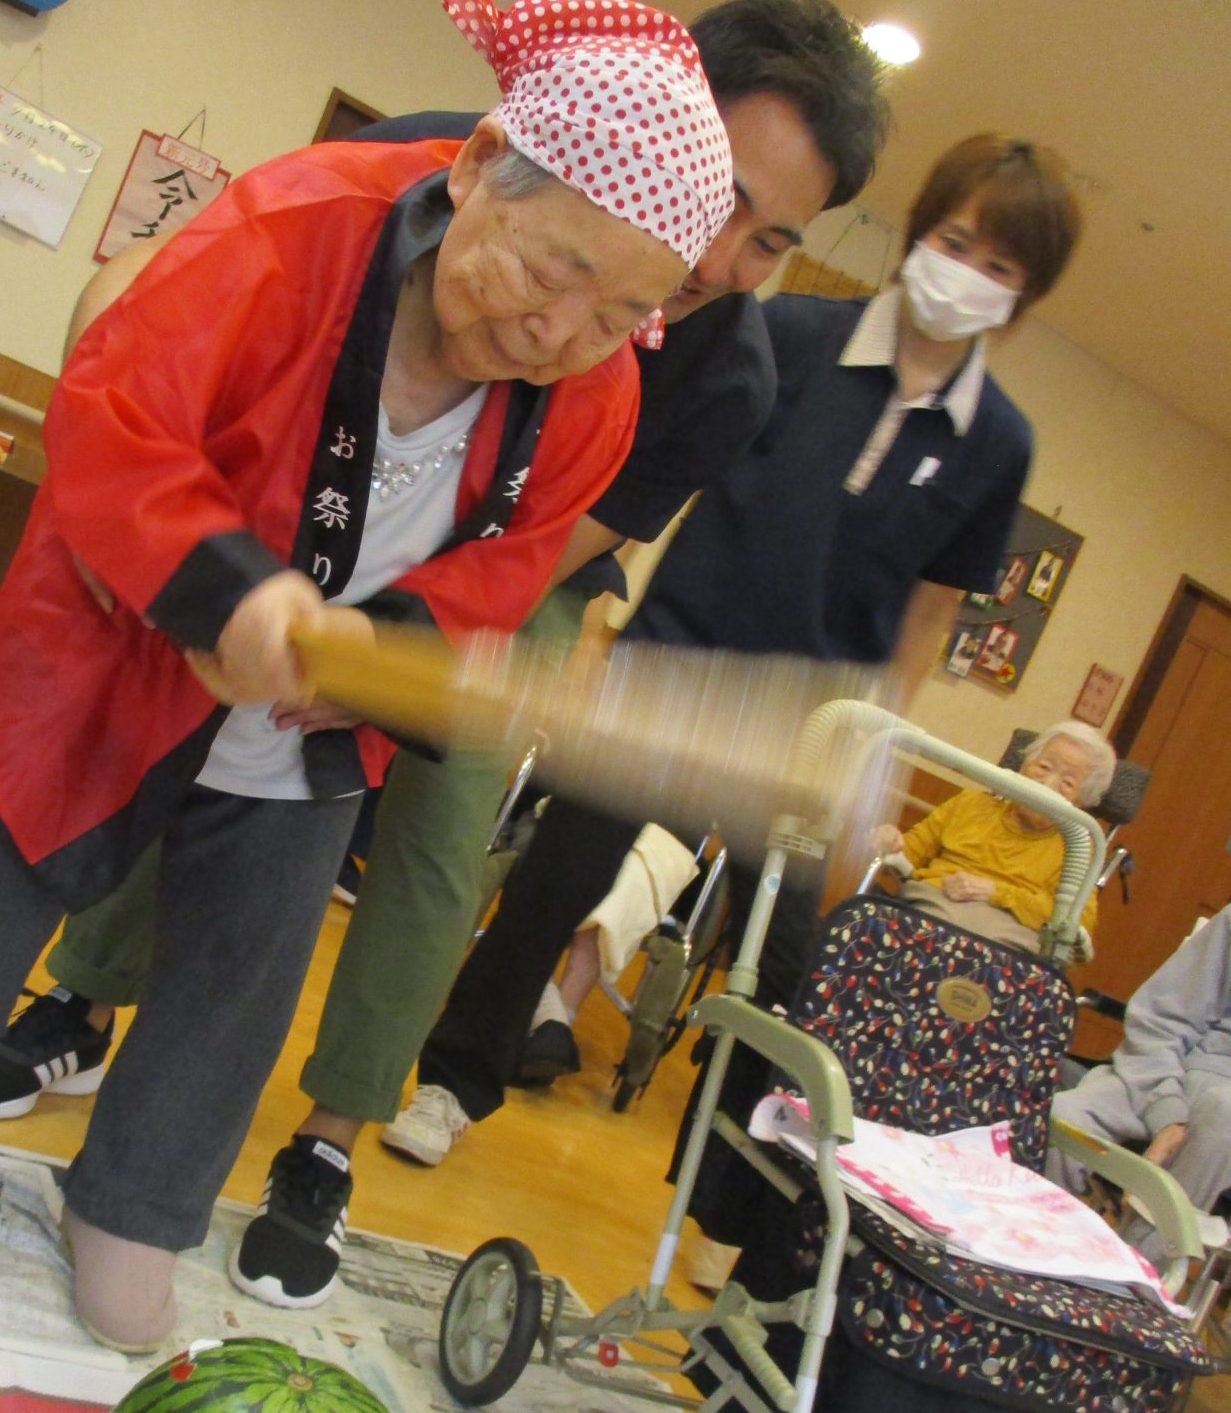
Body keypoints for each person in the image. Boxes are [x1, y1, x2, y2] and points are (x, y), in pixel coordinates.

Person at [0, 0, 736, 1352]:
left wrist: (380, 651)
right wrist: (226, 593)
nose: (559, 335)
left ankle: (138, 1204)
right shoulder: (292, 226)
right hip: (123, 637)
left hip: (314, 724)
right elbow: (118, 409)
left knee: (240, 973)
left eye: (616, 315)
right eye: (549, 273)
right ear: (479, 164)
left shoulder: (598, 395)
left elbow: (510, 567)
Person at [0, 0, 892, 1310]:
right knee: (194, 713)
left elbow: (544, 549)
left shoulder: (729, 376)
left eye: (772, 241)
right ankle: (85, 1001)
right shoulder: (454, 151)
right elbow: (178, 307)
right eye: (725, 194)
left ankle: (330, 1141)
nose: (719, 251)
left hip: (511, 556)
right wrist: (241, 594)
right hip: (300, 490)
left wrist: (385, 646)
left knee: (443, 821)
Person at [388, 134, 1086, 1228]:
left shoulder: (998, 440)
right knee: (554, 882)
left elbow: (932, 612)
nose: (966, 275)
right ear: (918, 235)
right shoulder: (788, 336)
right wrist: (598, 629)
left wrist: (876, 753)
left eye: (998, 266)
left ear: (1025, 296)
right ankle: (451, 1081)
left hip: (816, 728)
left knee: (792, 970)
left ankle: (727, 1205)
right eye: (955, 243)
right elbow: (655, 471)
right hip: (674, 666)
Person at [1049, 905, 1231, 1232]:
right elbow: (1162, 1020)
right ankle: (1020, 1244)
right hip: (1177, 1067)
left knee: (1223, 1116)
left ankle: (1139, 1265)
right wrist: (1167, 1111)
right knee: (1062, 1117)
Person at [873, 719, 1115, 953]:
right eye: (1044, 767)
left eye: (1067, 783)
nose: (1048, 783)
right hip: (930, 906)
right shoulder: (970, 804)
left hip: (1004, 942)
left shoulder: (1077, 848)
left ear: (1081, 801)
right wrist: (890, 842)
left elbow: (1078, 922)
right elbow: (908, 852)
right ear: (1024, 766)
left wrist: (996, 893)